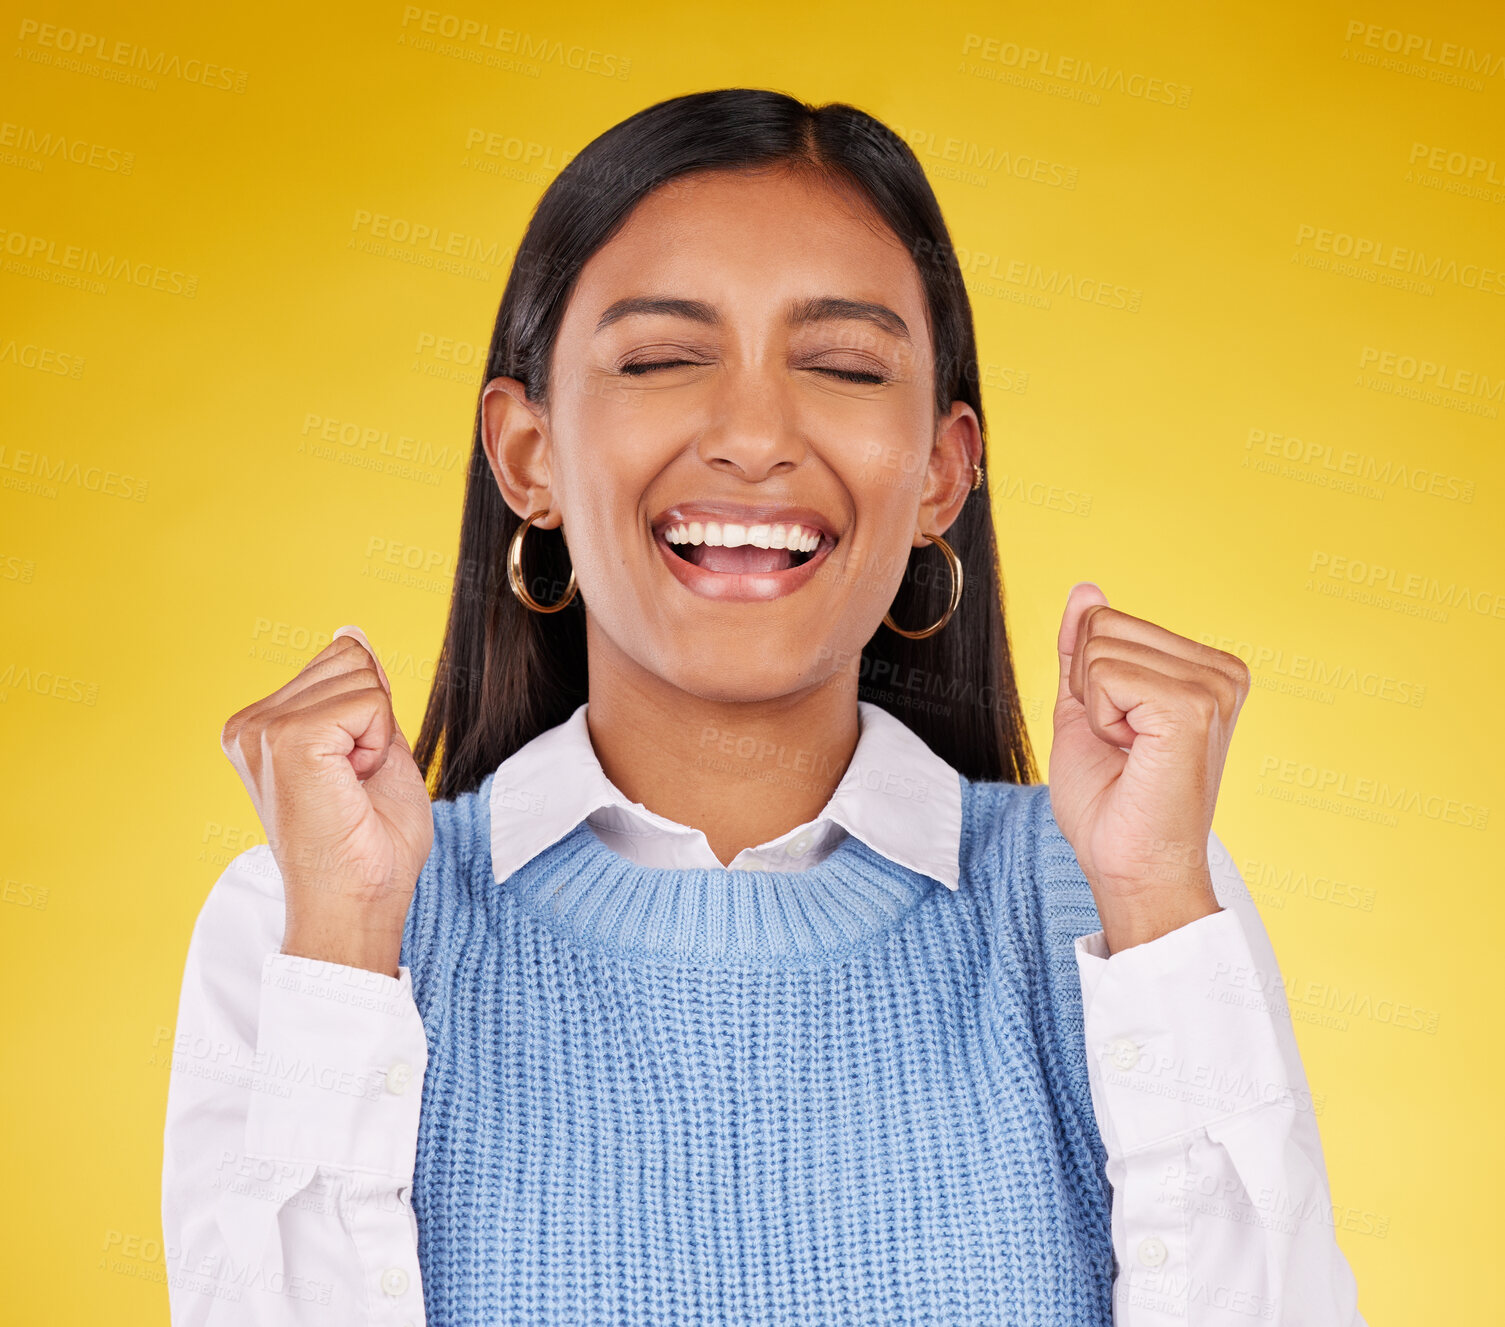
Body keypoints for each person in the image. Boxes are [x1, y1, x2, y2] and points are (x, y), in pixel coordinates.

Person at [162, 89, 1366, 1325]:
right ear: (528, 457)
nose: (751, 436)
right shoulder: (306, 921)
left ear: (943, 472)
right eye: (662, 359)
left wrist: (1163, 906)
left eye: (842, 365)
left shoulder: (1116, 903)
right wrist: (350, 950)